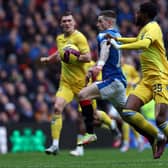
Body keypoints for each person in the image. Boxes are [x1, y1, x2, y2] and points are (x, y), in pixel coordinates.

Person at [109, 1, 168, 159]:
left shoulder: (153, 28)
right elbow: (137, 39)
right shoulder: (144, 30)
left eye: (138, 12)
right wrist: (118, 39)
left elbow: (143, 43)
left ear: (145, 14)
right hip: (147, 80)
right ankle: (158, 137)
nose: (135, 15)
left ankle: (160, 138)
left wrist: (119, 47)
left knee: (161, 118)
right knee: (128, 112)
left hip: (159, 78)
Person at [40, 11, 92, 155]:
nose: (67, 23)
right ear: (61, 24)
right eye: (64, 21)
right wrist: (48, 59)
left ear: (74, 23)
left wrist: (74, 57)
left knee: (83, 117)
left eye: (69, 20)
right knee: (57, 108)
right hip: (66, 83)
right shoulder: (60, 38)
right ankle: (55, 145)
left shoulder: (80, 37)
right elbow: (60, 53)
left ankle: (80, 147)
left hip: (83, 84)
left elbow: (88, 57)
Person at [77, 10, 127, 146]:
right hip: (116, 81)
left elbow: (105, 49)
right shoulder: (117, 34)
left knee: (82, 95)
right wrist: (94, 68)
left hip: (112, 81)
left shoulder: (106, 35)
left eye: (100, 21)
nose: (97, 24)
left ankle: (90, 133)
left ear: (109, 22)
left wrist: (99, 65)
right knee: (130, 116)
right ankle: (157, 135)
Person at [120, 56, 144, 152]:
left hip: (129, 96)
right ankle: (139, 140)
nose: (120, 59)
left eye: (121, 58)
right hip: (120, 98)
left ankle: (126, 144)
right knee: (129, 121)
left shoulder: (129, 68)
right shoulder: (115, 69)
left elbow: (138, 76)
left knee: (126, 121)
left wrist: (133, 82)